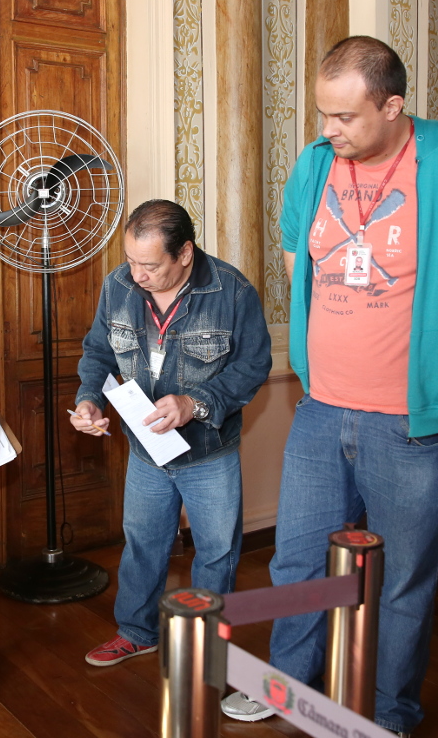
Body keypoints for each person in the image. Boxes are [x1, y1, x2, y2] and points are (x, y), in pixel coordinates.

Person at [220, 37, 438, 735]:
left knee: (403, 582)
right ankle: (288, 685)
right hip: (321, 410)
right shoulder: (316, 163)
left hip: (412, 426)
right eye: (322, 113)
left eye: (345, 117)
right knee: (296, 560)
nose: (328, 130)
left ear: (393, 105)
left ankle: (390, 714)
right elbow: (299, 244)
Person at [73, 199, 272, 666]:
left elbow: (253, 366)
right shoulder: (118, 286)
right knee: (143, 545)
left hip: (209, 452)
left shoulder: (233, 291)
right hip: (146, 452)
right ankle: (137, 632)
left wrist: (194, 403)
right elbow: (98, 352)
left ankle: (204, 650)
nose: (136, 275)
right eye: (130, 261)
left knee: (216, 553)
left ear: (184, 253)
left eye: (149, 265)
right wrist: (90, 399)